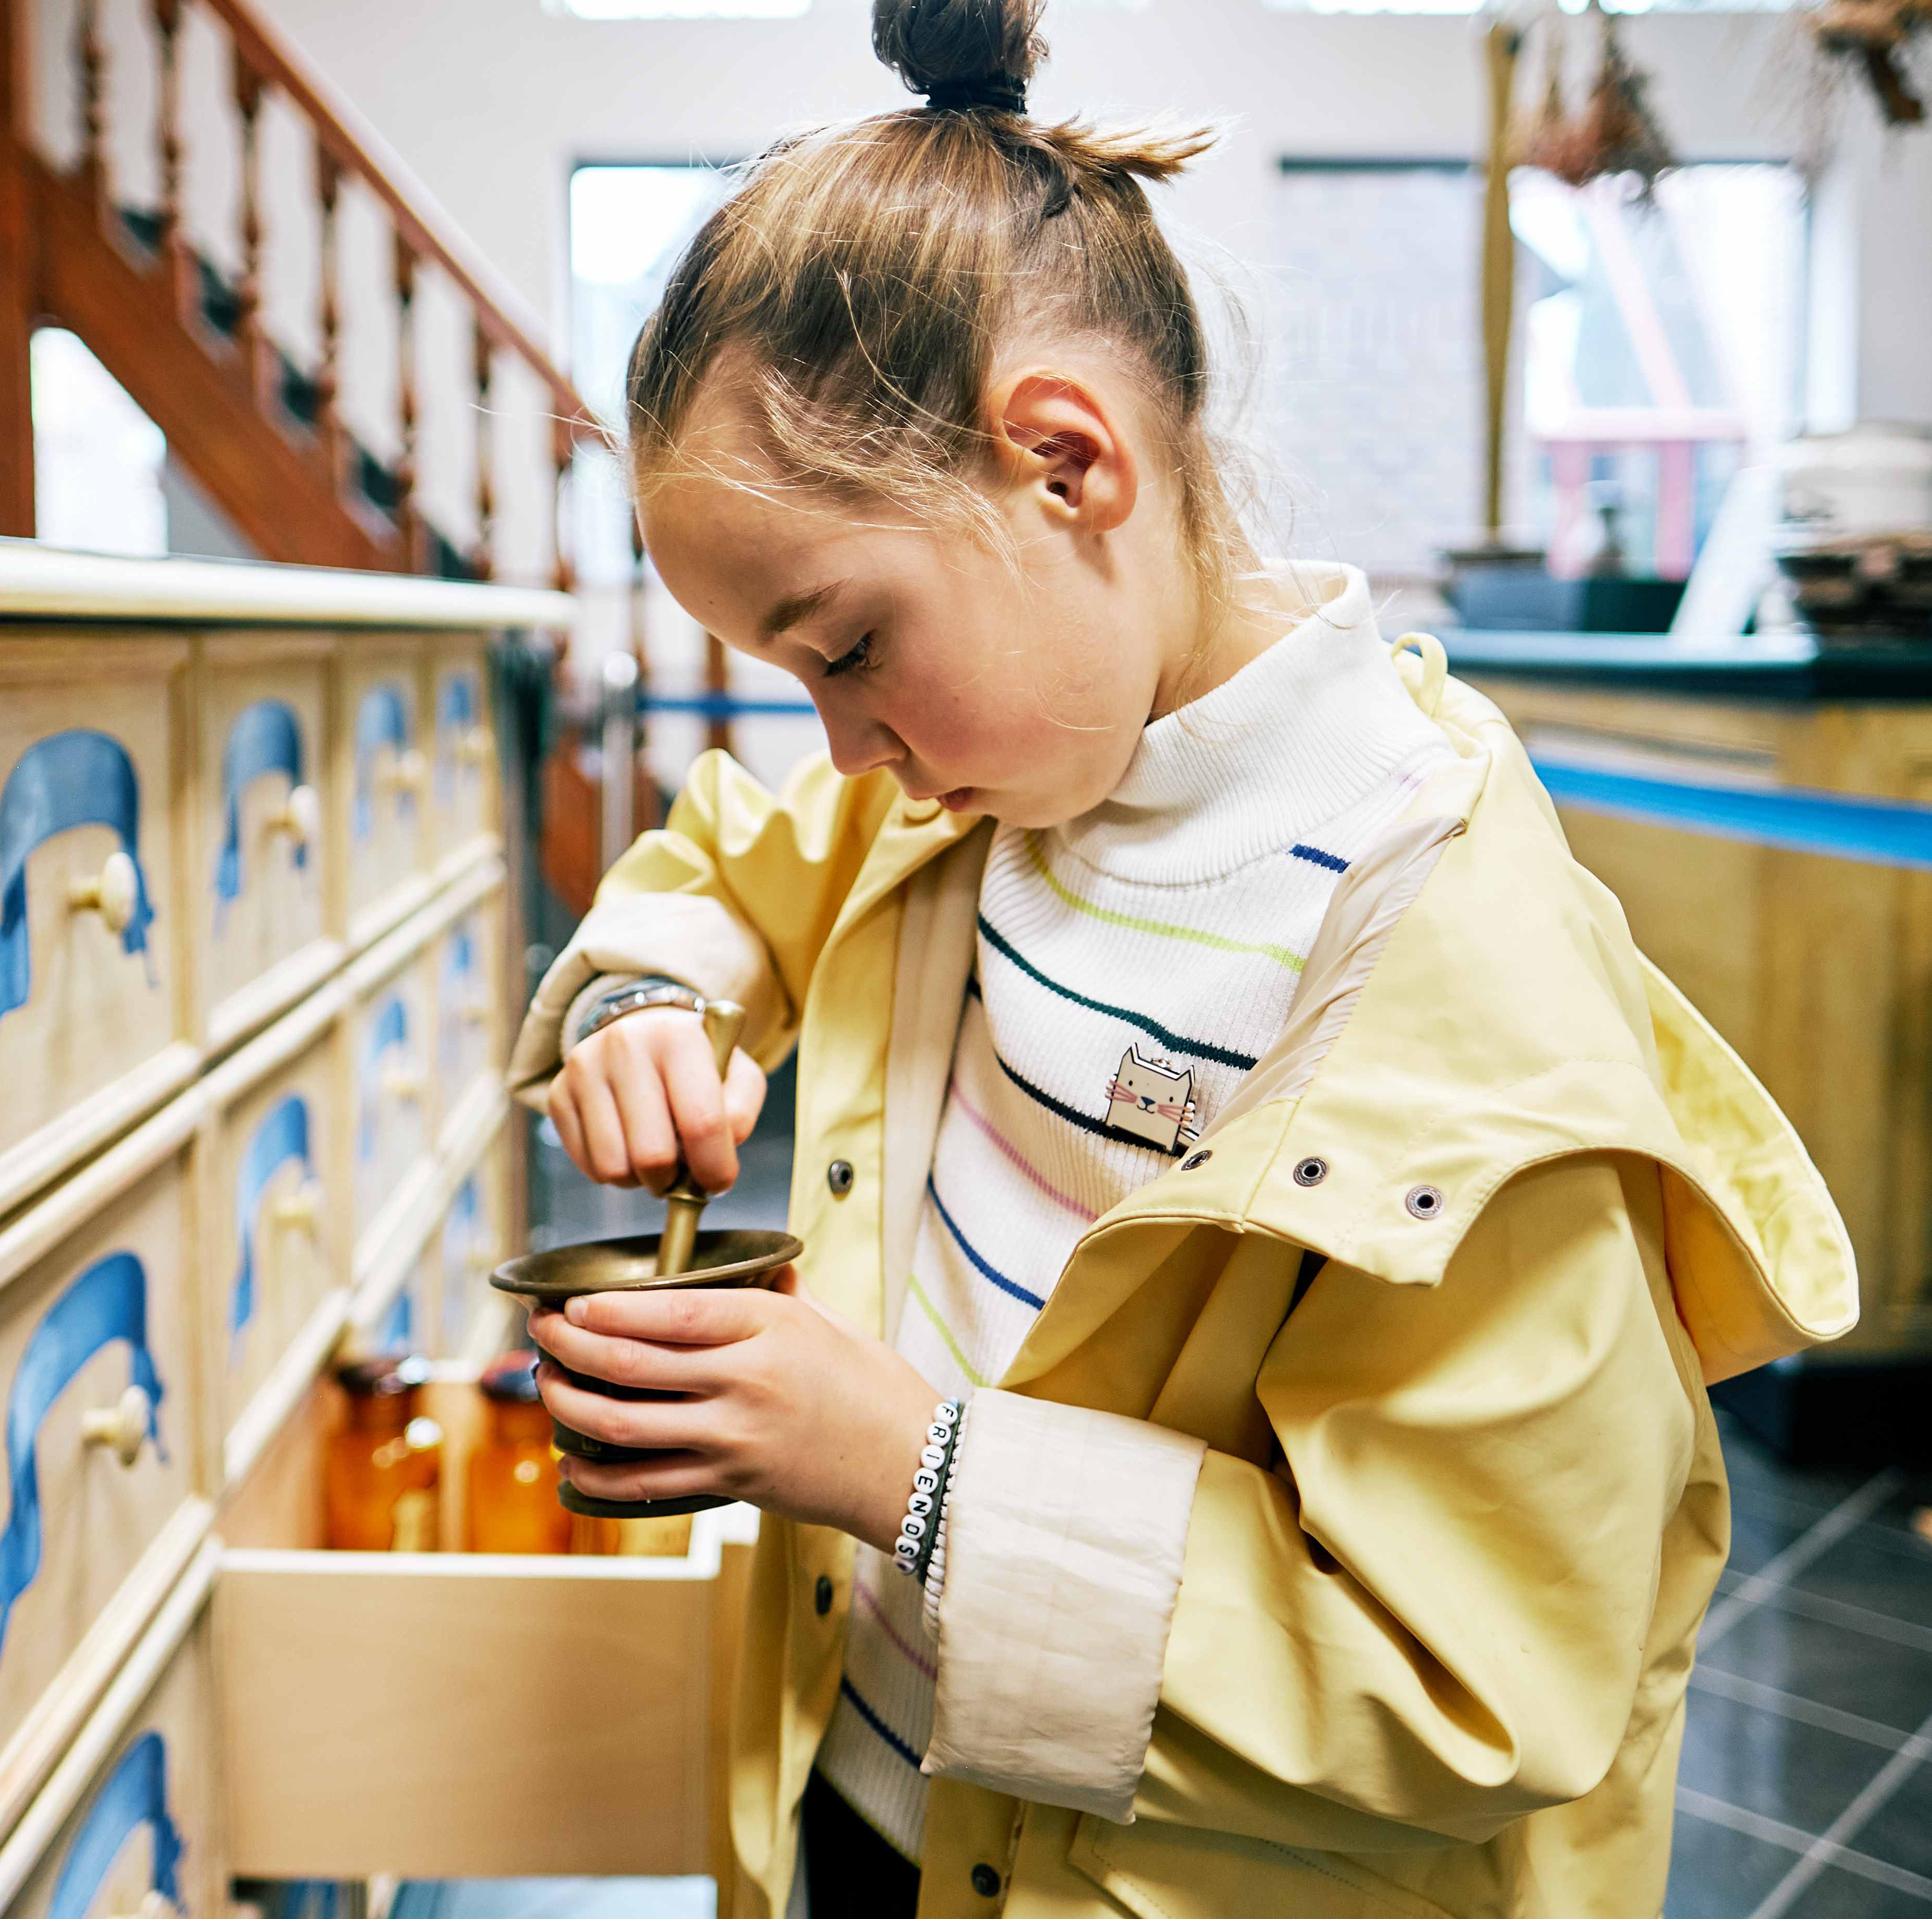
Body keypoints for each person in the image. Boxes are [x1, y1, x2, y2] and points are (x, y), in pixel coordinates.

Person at [508, 2, 1859, 1912]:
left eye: (849, 647)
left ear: (1066, 466)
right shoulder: (1005, 768)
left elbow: (1474, 1687)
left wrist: (907, 1467)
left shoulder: (1438, 968)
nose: (845, 748)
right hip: (866, 1786)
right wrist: (651, 1000)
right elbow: (728, 862)